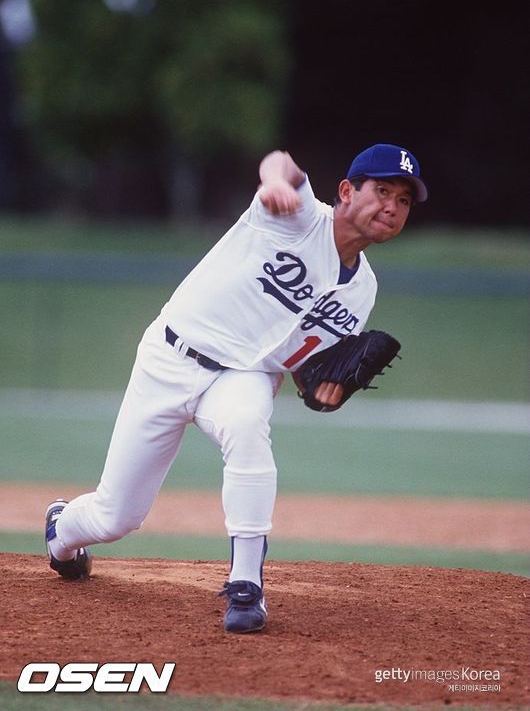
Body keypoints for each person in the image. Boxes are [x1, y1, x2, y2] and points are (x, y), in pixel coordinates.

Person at [45, 143, 428, 634]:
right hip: (171, 357)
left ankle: (246, 587)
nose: (391, 206)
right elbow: (283, 164)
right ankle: (61, 532)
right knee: (116, 517)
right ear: (347, 191)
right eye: (382, 190)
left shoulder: (363, 291)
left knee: (249, 429)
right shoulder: (298, 216)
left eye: (403, 200)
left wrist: (320, 387)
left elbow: (302, 362)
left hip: (242, 378)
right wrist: (271, 182)